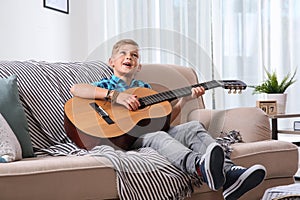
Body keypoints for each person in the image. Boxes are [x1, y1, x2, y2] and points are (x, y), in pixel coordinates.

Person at [70, 39, 266, 200]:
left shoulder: (144, 88)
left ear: (139, 66)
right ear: (111, 62)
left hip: (147, 131)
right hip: (122, 138)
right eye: (123, 53)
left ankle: (231, 176)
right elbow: (76, 89)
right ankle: (199, 167)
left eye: (134, 55)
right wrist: (116, 96)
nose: (129, 56)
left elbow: (164, 121)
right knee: (157, 136)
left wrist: (185, 99)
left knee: (192, 127)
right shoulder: (104, 85)